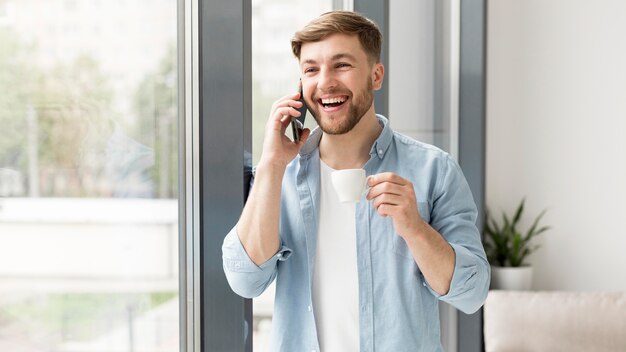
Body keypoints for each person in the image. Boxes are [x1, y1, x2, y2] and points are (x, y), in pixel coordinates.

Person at [222, 11, 490, 351]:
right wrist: (273, 164)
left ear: (376, 76)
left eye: (342, 65)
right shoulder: (280, 174)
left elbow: (473, 291)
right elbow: (245, 280)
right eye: (311, 69)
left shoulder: (433, 169)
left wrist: (414, 227)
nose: (325, 82)